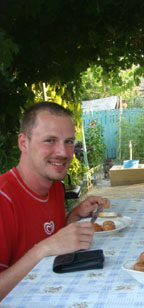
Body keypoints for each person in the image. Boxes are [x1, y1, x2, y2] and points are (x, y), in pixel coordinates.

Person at [0, 102, 109, 300]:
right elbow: (47, 246)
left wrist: (74, 215)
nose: (63, 152)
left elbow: (54, 238)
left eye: (68, 141)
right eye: (50, 140)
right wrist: (43, 249)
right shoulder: (3, 199)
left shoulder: (55, 186)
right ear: (23, 143)